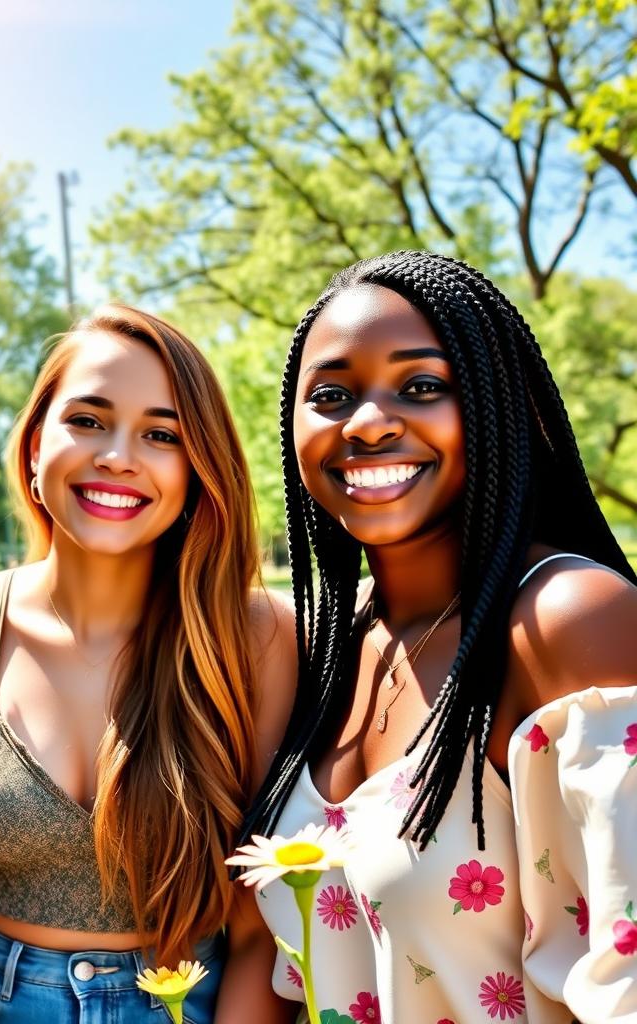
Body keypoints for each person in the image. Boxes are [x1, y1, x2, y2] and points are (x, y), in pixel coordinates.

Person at [241, 251, 637, 1022]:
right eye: (330, 395)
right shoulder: (327, 646)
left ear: (498, 407)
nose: (368, 421)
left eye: (422, 386)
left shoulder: (567, 619)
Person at [0, 304, 297, 1023]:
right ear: (31, 445)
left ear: (196, 470)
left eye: (160, 434)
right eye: (87, 420)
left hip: (196, 1004)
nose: (118, 455)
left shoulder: (257, 636)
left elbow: (259, 927)